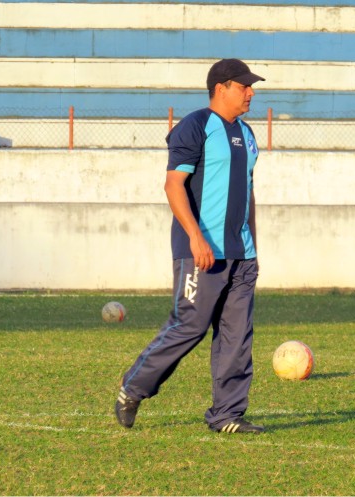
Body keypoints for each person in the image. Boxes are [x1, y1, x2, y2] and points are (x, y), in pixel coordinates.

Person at [115, 59, 266, 434]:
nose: (251, 92)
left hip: (241, 254)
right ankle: (133, 388)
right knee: (189, 326)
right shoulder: (195, 126)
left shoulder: (247, 134)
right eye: (244, 86)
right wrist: (197, 237)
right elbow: (173, 185)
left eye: (251, 86)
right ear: (221, 87)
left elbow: (247, 193)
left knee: (237, 336)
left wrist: (253, 248)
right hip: (201, 250)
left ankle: (227, 415)